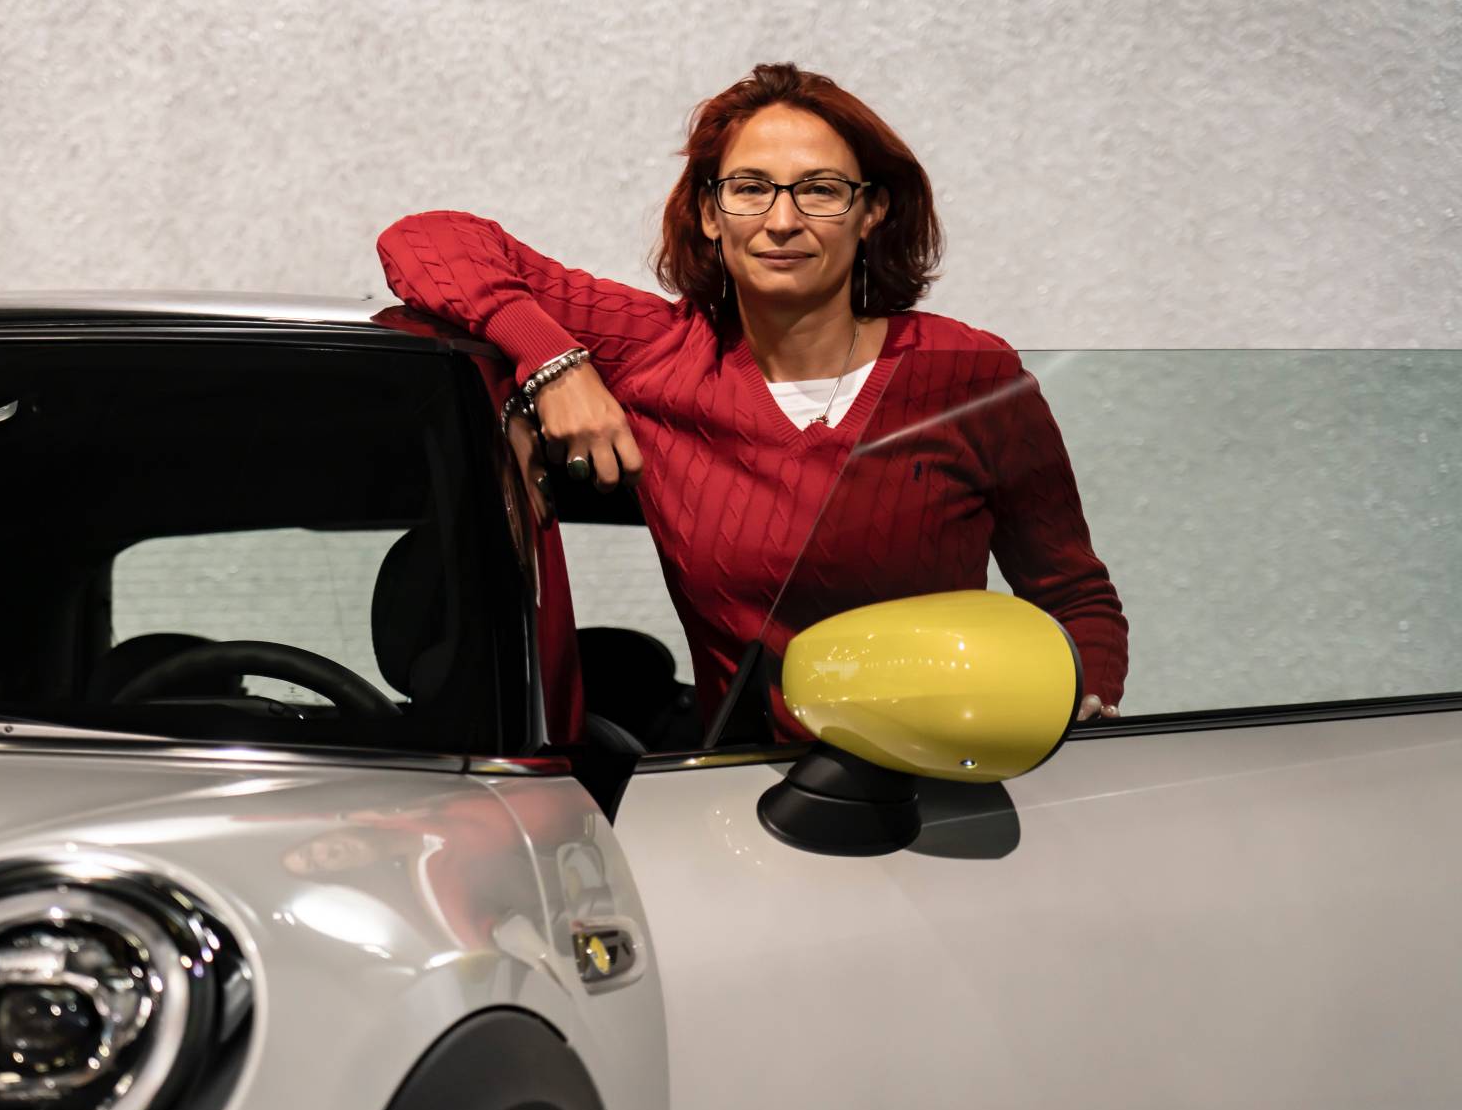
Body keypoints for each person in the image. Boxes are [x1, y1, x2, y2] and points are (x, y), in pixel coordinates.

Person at [377, 62, 1125, 730]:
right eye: (750, 189)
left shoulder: (967, 370)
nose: (782, 220)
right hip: (747, 798)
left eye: (821, 191)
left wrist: (1070, 722)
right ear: (711, 213)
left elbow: (1074, 596)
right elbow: (425, 239)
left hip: (942, 781)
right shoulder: (662, 351)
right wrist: (556, 364)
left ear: (872, 212)